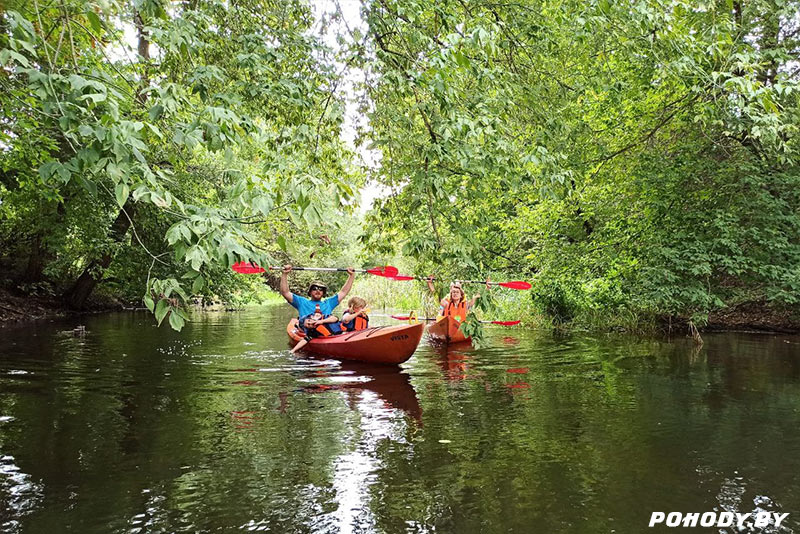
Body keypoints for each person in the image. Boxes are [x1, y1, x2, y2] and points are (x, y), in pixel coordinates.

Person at [278, 264, 355, 318]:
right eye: (314, 288)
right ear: (310, 292)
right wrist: (285, 274)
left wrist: (351, 276)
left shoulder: (329, 303)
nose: (318, 290)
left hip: (324, 330)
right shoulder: (302, 302)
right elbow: (285, 292)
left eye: (321, 289)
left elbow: (343, 292)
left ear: (323, 293)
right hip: (307, 329)